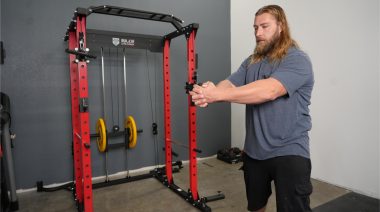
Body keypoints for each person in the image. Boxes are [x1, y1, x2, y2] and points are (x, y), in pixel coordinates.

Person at [190, 4, 314, 212]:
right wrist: (208, 95)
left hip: (289, 151)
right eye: (255, 28)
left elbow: (269, 91)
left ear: (281, 26)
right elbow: (230, 83)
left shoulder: (296, 59)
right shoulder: (252, 61)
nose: (258, 33)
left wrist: (217, 94)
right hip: (254, 153)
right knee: (256, 207)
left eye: (264, 27)